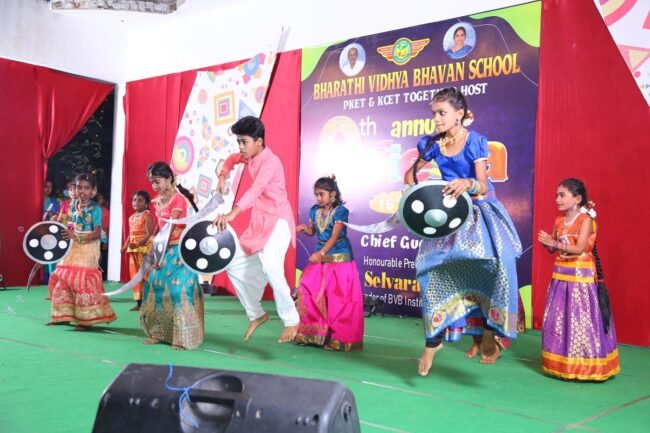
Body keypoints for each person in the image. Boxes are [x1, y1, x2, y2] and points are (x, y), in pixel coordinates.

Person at [404, 87, 522, 376]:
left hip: (480, 212)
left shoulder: (475, 141)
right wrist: (416, 187)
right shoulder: (432, 144)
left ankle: (490, 333)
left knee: (497, 265)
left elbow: (482, 186)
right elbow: (410, 175)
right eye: (434, 113)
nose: (436, 118)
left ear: (459, 114)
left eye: (442, 113)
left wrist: (467, 183)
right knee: (429, 268)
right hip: (449, 216)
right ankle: (433, 340)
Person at [213, 116, 300, 343]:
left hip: (278, 221)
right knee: (232, 263)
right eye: (239, 142)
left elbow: (255, 190)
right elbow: (231, 160)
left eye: (244, 142)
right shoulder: (249, 156)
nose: (240, 147)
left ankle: (291, 320)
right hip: (260, 223)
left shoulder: (271, 162)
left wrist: (232, 214)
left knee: (271, 267)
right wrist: (222, 176)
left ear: (259, 141)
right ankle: (256, 314)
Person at [537, 178, 620, 381]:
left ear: (577, 198)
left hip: (580, 278)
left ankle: (586, 366)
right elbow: (553, 249)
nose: (557, 199)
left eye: (562, 195)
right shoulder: (559, 220)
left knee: (580, 321)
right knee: (560, 320)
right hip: (560, 276)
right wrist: (547, 242)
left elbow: (580, 248)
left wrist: (554, 243)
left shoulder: (585, 220)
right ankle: (563, 364)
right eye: (557, 195)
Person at [294, 176, 364, 351]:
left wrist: (321, 253)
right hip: (321, 254)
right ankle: (314, 334)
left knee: (338, 297)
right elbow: (313, 231)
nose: (318, 198)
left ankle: (339, 338)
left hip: (339, 256)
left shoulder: (341, 211)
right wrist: (304, 229)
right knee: (308, 287)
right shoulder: (314, 210)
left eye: (321, 194)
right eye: (316, 194)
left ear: (332, 194)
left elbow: (334, 236)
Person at [140, 162, 203, 350]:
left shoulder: (178, 199)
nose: (154, 186)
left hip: (179, 252)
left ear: (169, 178)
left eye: (157, 181)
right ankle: (158, 333)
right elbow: (160, 227)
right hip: (163, 249)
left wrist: (157, 254)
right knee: (154, 288)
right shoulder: (157, 201)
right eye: (151, 182)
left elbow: (170, 227)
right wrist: (153, 248)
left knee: (178, 291)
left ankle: (183, 337)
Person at [47, 173, 117, 330]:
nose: (82, 191)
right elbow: (70, 224)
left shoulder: (95, 209)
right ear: (74, 188)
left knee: (81, 280)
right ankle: (63, 315)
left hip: (89, 247)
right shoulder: (73, 205)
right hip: (73, 245)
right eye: (79, 187)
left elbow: (97, 234)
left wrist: (77, 237)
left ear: (93, 190)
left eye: (86, 188)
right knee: (62, 277)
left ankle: (87, 319)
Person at [121, 190, 155, 311]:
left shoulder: (147, 216)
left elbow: (149, 234)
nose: (136, 202)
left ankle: (151, 302)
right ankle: (139, 303)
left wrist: (138, 244)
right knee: (135, 275)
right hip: (133, 250)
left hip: (145, 250)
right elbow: (130, 235)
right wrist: (125, 246)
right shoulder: (131, 217)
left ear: (146, 203)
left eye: (140, 200)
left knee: (146, 275)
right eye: (134, 200)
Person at [95, 191, 110, 280]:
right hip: (92, 238)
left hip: (103, 238)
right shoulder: (92, 210)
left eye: (100, 198)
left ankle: (101, 275)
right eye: (96, 199)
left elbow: (107, 228)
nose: (98, 200)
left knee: (102, 257)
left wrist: (106, 241)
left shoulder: (106, 212)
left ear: (104, 200)